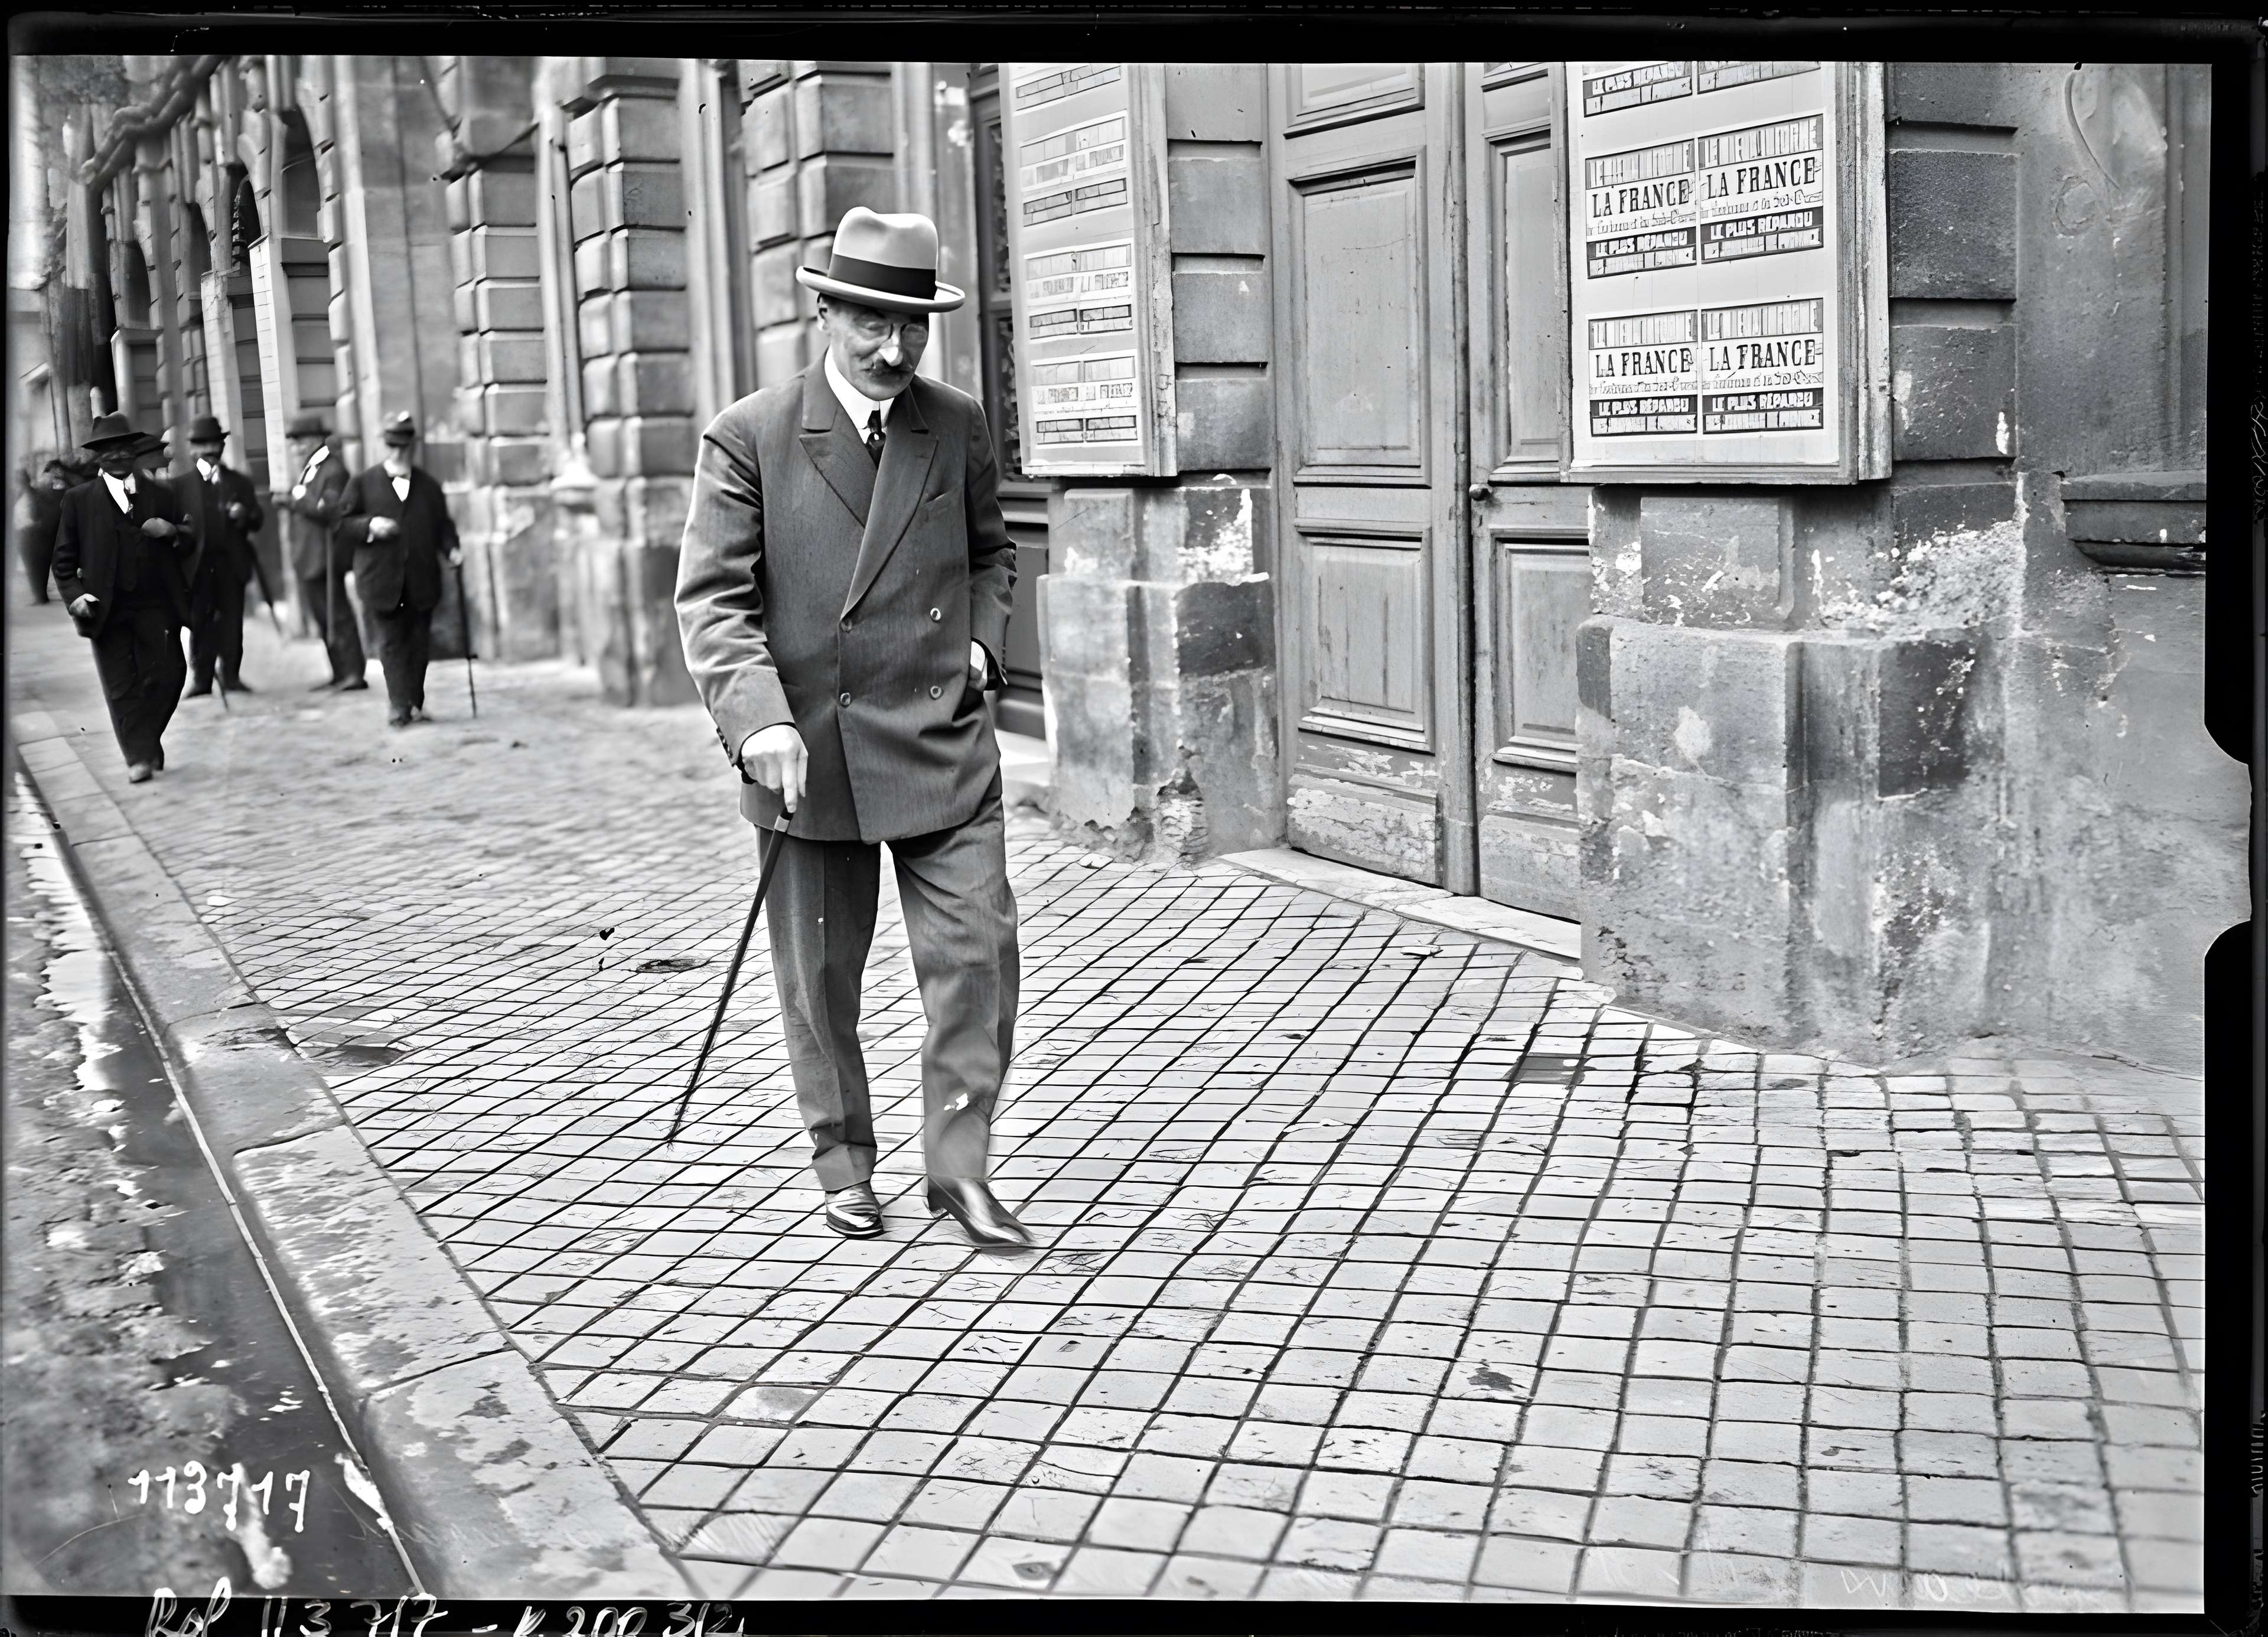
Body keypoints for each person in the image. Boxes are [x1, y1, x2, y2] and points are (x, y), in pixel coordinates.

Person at [676, 207, 1027, 1250]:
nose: (891, 350)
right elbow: (714, 604)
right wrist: (755, 726)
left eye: (912, 327)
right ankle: (843, 1160)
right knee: (820, 980)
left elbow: (991, 553)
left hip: (938, 736)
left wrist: (979, 645)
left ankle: (957, 1169)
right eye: (870, 322)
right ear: (826, 310)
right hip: (809, 753)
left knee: (979, 954)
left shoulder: (954, 422)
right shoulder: (749, 437)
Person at [51, 412, 195, 783]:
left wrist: (173, 531)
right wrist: (76, 596)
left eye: (124, 449)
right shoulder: (78, 501)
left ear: (135, 451)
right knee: (121, 687)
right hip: (105, 609)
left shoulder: (162, 494)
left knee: (170, 675)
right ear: (98, 457)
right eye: (109, 451)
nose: (118, 457)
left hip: (155, 605)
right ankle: (139, 758)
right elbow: (63, 563)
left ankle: (146, 739)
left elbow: (190, 539)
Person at [335, 411, 460, 728]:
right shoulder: (362, 484)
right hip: (380, 580)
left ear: (413, 446)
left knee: (419, 644)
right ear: (385, 445)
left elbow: (444, 527)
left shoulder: (429, 487)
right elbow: (340, 523)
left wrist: (452, 549)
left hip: (421, 578)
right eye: (393, 445)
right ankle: (398, 706)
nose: (399, 452)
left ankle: (414, 703)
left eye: (404, 446)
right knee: (390, 643)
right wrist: (370, 525)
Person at [277, 410, 366, 691]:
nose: (297, 446)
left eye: (302, 440)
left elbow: (328, 510)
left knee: (337, 613)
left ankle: (353, 672)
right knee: (323, 616)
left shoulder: (333, 470)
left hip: (325, 554)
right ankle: (339, 671)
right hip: (309, 555)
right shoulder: (312, 468)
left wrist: (297, 500)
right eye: (294, 441)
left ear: (317, 439)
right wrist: (296, 500)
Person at [180, 415, 267, 697]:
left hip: (232, 565)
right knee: (200, 622)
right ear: (193, 449)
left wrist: (244, 515)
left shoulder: (239, 483)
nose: (210, 450)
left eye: (215, 444)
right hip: (199, 567)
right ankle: (202, 679)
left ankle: (231, 676)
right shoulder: (181, 486)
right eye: (203, 445)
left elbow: (257, 519)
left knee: (232, 621)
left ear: (222, 446)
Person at [14, 452, 71, 602]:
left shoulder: (36, 492)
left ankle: (41, 596)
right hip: (35, 532)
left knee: (42, 566)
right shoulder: (32, 491)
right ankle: (40, 596)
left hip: (40, 532)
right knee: (38, 567)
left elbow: (38, 512)